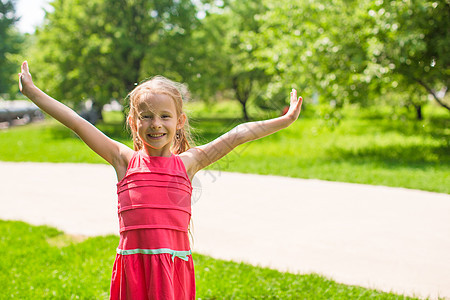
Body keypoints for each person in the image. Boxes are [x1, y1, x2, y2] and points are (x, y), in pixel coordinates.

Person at [18, 61, 303, 300]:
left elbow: (239, 134)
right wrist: (33, 93)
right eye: (147, 116)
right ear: (133, 121)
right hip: (134, 271)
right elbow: (77, 123)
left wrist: (285, 120)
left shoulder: (189, 163)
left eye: (165, 116)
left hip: (172, 273)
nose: (156, 124)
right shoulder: (124, 160)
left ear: (179, 121)